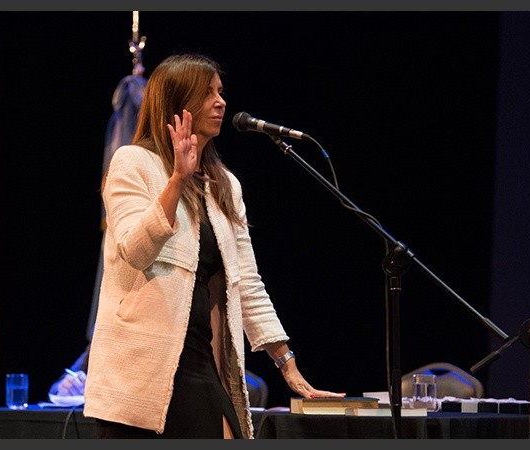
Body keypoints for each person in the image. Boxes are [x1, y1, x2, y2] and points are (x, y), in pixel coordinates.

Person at [82, 53, 345, 439]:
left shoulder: (224, 185)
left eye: (220, 92)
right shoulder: (132, 162)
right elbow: (135, 250)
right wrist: (176, 180)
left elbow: (247, 282)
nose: (221, 102)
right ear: (178, 104)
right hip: (140, 370)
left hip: (202, 361)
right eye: (207, 93)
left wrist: (287, 363)